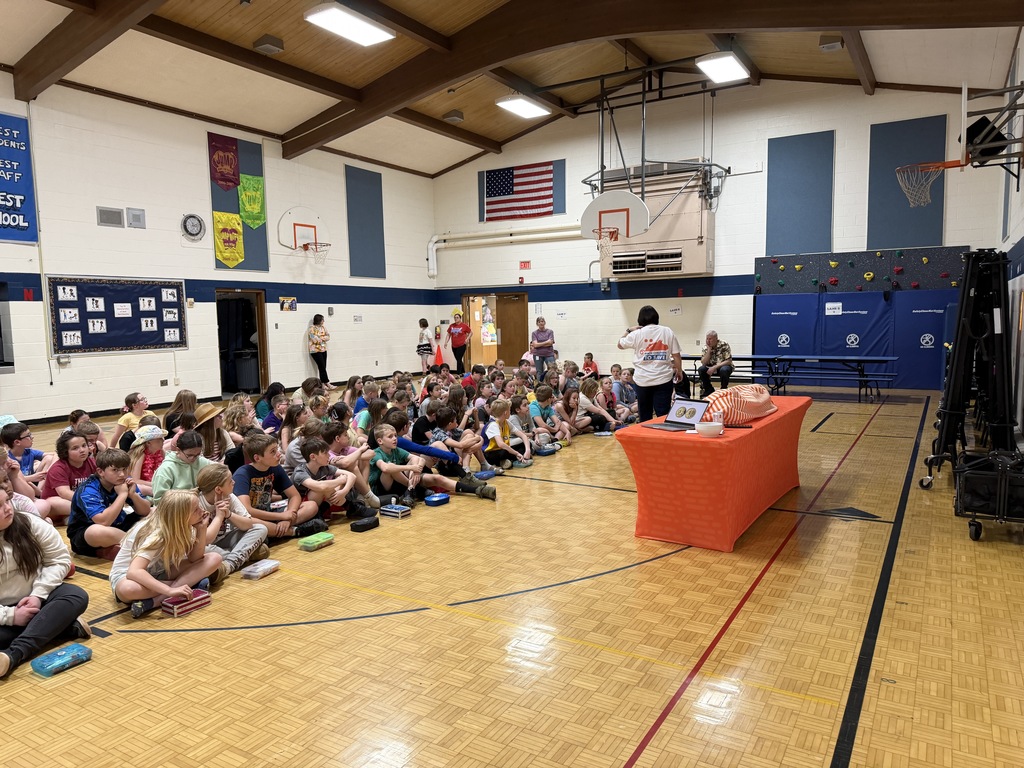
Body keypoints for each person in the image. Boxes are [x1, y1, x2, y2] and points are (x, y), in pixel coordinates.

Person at [0, 489, 90, 679]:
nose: (8, 508)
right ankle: (60, 625)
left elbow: (59, 560)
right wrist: (10, 616)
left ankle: (13, 655)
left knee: (76, 595)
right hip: (5, 612)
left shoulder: (30, 523)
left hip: (38, 599)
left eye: (8, 501)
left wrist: (37, 595)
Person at [109, 489, 222, 618]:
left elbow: (195, 558)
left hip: (160, 572)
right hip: (129, 577)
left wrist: (201, 529)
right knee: (127, 590)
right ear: (181, 516)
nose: (202, 511)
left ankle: (155, 601)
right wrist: (170, 590)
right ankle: (188, 584)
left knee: (214, 558)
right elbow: (134, 572)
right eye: (196, 509)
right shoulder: (157, 533)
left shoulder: (186, 525)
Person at [67, 449, 152, 558]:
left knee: (155, 512)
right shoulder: (88, 489)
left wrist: (132, 495)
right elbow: (103, 521)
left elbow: (145, 511)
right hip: (87, 533)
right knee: (97, 531)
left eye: (124, 469)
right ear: (101, 472)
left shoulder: (125, 481)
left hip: (119, 526)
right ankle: (139, 547)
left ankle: (121, 547)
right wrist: (122, 495)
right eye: (115, 470)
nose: (122, 474)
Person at [195, 464, 269, 581]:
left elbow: (248, 524)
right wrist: (219, 516)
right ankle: (245, 554)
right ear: (218, 489)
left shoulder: (229, 496)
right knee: (202, 550)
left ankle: (229, 564)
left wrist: (228, 513)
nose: (234, 482)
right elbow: (206, 540)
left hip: (227, 539)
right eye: (230, 481)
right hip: (206, 545)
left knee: (260, 528)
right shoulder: (196, 503)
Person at [617, 305, 684, 423]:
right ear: (656, 318)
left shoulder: (637, 333)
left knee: (645, 415)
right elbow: (676, 355)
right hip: (663, 378)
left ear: (640, 320)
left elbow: (619, 344)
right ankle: (663, 439)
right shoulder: (667, 331)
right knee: (663, 415)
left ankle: (646, 440)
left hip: (643, 380)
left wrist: (628, 330)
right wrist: (679, 370)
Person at [127, 425, 166, 498]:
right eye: (158, 440)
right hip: (143, 488)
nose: (163, 441)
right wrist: (156, 484)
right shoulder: (140, 455)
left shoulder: (161, 451)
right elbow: (136, 480)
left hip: (155, 483)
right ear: (148, 443)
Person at [699, 330, 734, 397]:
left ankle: (723, 389)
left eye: (710, 339)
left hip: (723, 366)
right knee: (701, 369)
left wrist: (715, 367)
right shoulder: (705, 347)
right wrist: (709, 351)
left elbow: (728, 361)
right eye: (707, 339)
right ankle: (708, 389)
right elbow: (704, 363)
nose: (708, 341)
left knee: (724, 370)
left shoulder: (724, 344)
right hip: (710, 367)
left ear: (716, 339)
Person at [307, 314, 335, 390]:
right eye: (322, 320)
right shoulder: (312, 328)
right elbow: (314, 339)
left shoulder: (323, 328)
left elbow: (328, 336)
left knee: (323, 367)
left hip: (323, 349)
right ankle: (327, 382)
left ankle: (323, 384)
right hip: (315, 350)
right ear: (319, 320)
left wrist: (320, 338)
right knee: (321, 366)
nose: (323, 321)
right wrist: (322, 338)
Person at [444, 311, 472, 375]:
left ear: (460, 318)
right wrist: (446, 342)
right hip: (454, 345)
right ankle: (463, 372)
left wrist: (467, 339)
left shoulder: (464, 326)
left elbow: (471, 332)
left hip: (462, 345)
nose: (456, 319)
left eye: (457, 317)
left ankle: (458, 373)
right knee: (458, 359)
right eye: (455, 317)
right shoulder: (452, 326)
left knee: (459, 359)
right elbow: (448, 335)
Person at [530, 316, 556, 382]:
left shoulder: (550, 331)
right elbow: (535, 345)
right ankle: (540, 385)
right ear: (537, 323)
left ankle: (551, 383)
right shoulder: (534, 333)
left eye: (542, 321)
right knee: (539, 371)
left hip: (549, 354)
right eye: (539, 322)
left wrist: (539, 344)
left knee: (552, 370)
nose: (541, 323)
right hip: (538, 354)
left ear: (544, 322)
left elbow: (550, 343)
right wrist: (546, 342)